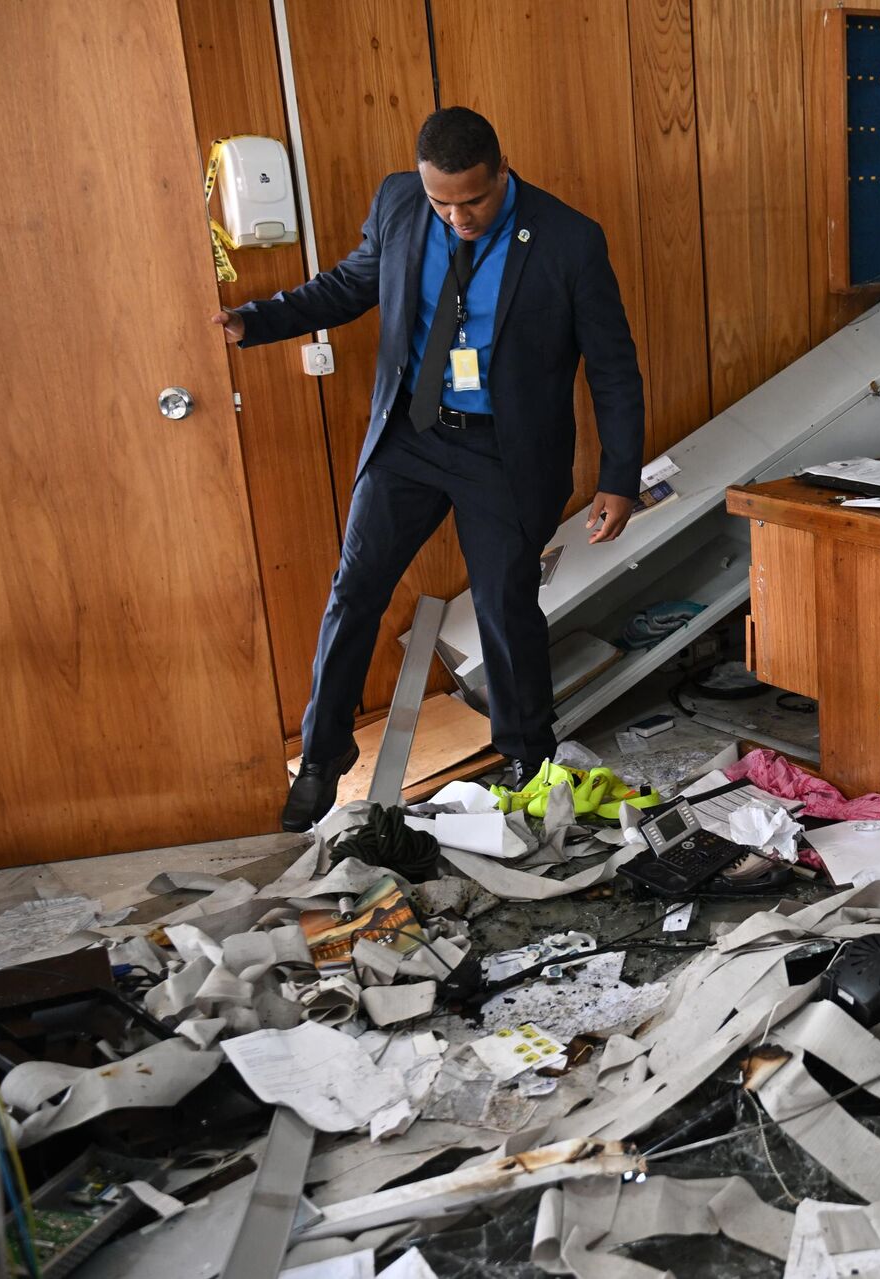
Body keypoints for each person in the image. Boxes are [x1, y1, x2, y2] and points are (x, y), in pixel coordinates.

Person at [215, 107, 645, 830]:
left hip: (502, 453)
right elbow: (348, 286)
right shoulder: (398, 202)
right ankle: (324, 756)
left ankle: (528, 760)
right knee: (355, 587)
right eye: (441, 201)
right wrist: (256, 320)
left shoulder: (569, 239)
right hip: (411, 436)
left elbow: (613, 367)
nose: (456, 217)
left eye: (471, 201)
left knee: (506, 607)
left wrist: (619, 476)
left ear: (501, 173)